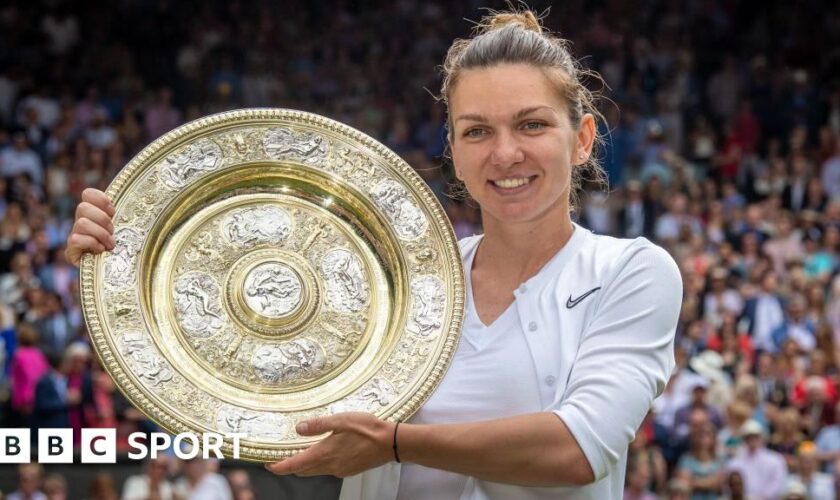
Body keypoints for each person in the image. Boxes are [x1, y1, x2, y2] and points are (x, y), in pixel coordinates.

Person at [65, 9, 683, 500]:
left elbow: (578, 450)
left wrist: (393, 444)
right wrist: (122, 259)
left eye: (531, 125)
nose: (504, 153)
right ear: (454, 151)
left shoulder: (630, 272)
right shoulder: (403, 283)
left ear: (582, 138)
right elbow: (255, 375)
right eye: (476, 130)